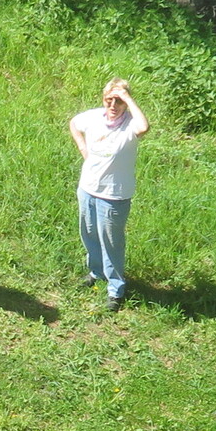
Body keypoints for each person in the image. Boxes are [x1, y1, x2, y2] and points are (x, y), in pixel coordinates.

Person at [69, 77, 147, 310]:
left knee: (112, 242)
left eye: (118, 101)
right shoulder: (93, 117)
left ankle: (116, 289)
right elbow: (74, 123)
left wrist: (127, 98)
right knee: (89, 233)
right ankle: (96, 272)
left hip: (114, 195)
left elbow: (144, 128)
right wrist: (83, 148)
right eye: (109, 99)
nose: (113, 105)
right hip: (87, 188)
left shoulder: (131, 124)